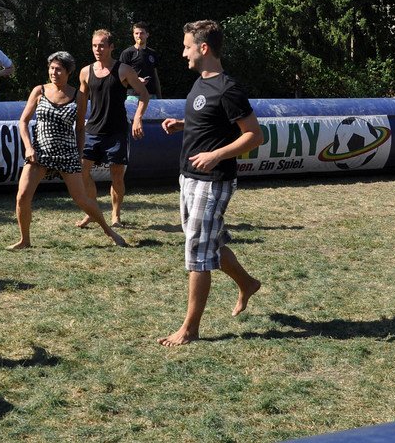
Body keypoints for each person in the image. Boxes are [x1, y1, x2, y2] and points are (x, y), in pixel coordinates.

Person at [157, 20, 263, 347]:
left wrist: (216, 155)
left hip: (213, 181)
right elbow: (211, 120)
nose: (183, 53)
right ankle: (247, 283)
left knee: (197, 251)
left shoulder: (228, 89)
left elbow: (254, 135)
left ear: (203, 48)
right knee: (209, 243)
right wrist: (182, 124)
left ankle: (189, 329)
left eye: (187, 46)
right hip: (189, 177)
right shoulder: (201, 82)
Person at [10, 51, 127, 250]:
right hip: (39, 153)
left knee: (82, 199)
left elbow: (80, 129)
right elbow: (23, 122)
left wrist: (79, 155)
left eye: (58, 69)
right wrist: (28, 147)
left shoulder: (78, 96)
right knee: (22, 196)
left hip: (67, 153)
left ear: (68, 72)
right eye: (51, 68)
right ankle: (24, 240)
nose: (53, 73)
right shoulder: (39, 91)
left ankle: (109, 231)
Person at [76, 30, 149, 228]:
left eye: (101, 45)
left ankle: (115, 216)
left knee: (116, 175)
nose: (97, 49)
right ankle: (92, 211)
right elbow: (82, 101)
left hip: (116, 131)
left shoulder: (124, 70)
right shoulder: (85, 72)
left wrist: (137, 119)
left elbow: (144, 94)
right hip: (92, 130)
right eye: (94, 45)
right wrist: (78, 126)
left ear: (111, 47)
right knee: (81, 171)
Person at [119, 21, 162, 100]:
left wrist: (159, 97)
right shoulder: (127, 53)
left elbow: (155, 76)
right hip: (133, 97)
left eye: (142, 33)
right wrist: (135, 80)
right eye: (136, 33)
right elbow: (121, 77)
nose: (139, 36)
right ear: (133, 34)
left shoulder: (152, 53)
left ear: (147, 35)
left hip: (152, 96)